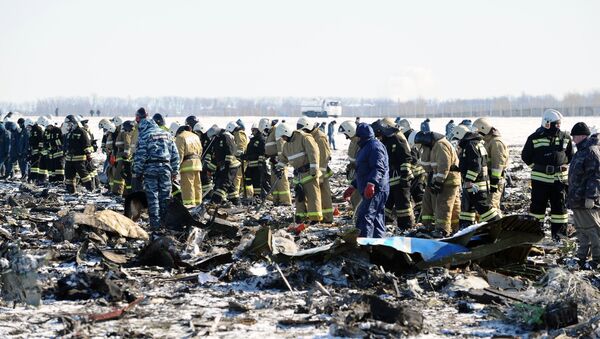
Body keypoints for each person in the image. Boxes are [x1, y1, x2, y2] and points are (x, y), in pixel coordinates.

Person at [521, 109, 573, 241]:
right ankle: (535, 235)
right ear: (547, 123)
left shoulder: (565, 137)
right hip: (540, 181)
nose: (558, 126)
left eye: (559, 124)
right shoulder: (534, 138)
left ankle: (559, 236)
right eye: (556, 124)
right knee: (537, 209)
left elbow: (570, 156)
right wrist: (538, 169)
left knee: (560, 209)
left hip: (559, 181)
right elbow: (525, 156)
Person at [409, 130, 461, 237]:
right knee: (427, 201)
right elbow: (427, 166)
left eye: (421, 145)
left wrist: (438, 182)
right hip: (439, 179)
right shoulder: (433, 147)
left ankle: (443, 230)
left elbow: (444, 166)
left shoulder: (441, 145)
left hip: (448, 180)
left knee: (443, 205)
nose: (421, 148)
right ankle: (428, 225)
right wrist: (426, 151)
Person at [343, 123, 389, 238]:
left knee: (364, 216)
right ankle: (379, 245)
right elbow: (363, 171)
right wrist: (353, 186)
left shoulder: (374, 147)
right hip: (371, 189)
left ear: (361, 136)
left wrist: (371, 184)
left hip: (376, 190)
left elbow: (378, 167)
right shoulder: (365, 147)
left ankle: (365, 245)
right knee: (376, 218)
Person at [133, 118, 180, 229]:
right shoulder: (167, 134)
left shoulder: (145, 136)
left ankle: (155, 225)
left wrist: (137, 172)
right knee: (165, 197)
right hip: (166, 169)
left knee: (152, 197)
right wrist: (175, 171)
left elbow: (141, 156)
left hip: (150, 169)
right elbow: (175, 154)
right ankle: (165, 223)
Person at [276, 122, 322, 231]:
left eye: (283, 136)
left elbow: (314, 153)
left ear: (286, 132)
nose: (283, 139)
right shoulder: (287, 145)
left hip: (309, 173)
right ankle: (300, 216)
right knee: (299, 197)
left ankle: (315, 218)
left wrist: (314, 169)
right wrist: (279, 167)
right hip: (298, 175)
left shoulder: (304, 138)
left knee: (312, 196)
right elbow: (283, 159)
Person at [451, 125, 499, 227]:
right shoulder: (475, 143)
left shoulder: (470, 145)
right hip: (475, 183)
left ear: (460, 135)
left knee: (483, 208)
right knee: (467, 209)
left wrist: (469, 180)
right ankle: (466, 228)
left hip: (475, 184)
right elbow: (471, 163)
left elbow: (475, 165)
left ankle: (498, 224)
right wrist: (457, 168)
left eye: (458, 139)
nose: (458, 142)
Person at [567, 122, 600, 269]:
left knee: (593, 231)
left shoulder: (591, 151)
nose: (573, 140)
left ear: (582, 135)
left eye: (574, 136)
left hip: (586, 201)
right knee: (581, 231)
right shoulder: (581, 151)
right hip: (577, 200)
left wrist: (591, 197)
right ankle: (581, 257)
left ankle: (597, 260)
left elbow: (596, 176)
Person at [378, 118, 415, 231]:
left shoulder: (397, 138)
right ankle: (385, 223)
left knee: (402, 205)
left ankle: (406, 226)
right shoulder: (387, 139)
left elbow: (407, 158)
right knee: (387, 203)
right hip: (391, 178)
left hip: (400, 178)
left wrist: (404, 176)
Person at [297, 117, 334, 223]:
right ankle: (319, 216)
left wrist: (320, 175)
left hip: (320, 172)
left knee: (324, 194)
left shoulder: (319, 137)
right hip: (314, 171)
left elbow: (323, 157)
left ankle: (327, 218)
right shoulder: (310, 136)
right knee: (316, 196)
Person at [473, 118, 509, 212]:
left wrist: (494, 181)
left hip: (495, 180)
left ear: (483, 128)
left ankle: (497, 225)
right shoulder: (486, 141)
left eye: (477, 130)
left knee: (492, 206)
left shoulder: (496, 142)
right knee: (486, 206)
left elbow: (498, 163)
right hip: (487, 179)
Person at [205, 125, 241, 205]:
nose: (213, 138)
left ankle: (215, 201)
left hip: (231, 165)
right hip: (224, 165)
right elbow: (216, 156)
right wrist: (210, 169)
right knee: (229, 185)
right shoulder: (217, 139)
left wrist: (226, 166)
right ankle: (236, 201)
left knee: (223, 184)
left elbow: (230, 152)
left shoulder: (226, 136)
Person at [63, 115, 95, 193]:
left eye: (69, 123)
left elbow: (86, 144)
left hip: (79, 158)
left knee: (83, 174)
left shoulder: (82, 131)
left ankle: (90, 188)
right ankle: (70, 190)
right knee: (68, 174)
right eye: (67, 124)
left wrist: (88, 154)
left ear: (74, 123)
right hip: (69, 158)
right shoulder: (69, 133)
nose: (68, 125)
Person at [264, 119, 292, 206]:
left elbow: (281, 147)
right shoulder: (271, 133)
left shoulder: (276, 131)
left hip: (279, 161)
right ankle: (276, 200)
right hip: (273, 161)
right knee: (274, 181)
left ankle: (285, 201)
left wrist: (280, 159)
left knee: (282, 181)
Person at [175, 124, 203, 206]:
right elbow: (200, 150)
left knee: (188, 187)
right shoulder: (195, 136)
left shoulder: (180, 137)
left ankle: (189, 205)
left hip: (187, 165)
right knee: (197, 185)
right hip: (197, 164)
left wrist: (175, 168)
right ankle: (198, 205)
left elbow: (179, 155)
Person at [339, 120, 362, 210]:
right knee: (353, 194)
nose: (346, 137)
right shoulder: (353, 141)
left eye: (346, 134)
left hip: (358, 172)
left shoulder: (358, 142)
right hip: (353, 171)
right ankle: (355, 210)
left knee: (357, 194)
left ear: (350, 131)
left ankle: (358, 213)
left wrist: (354, 165)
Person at [226, 121, 250, 199]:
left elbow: (241, 146)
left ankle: (235, 195)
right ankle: (242, 194)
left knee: (237, 177)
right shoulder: (237, 133)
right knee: (240, 177)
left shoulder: (239, 133)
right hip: (240, 159)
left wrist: (238, 155)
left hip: (241, 160)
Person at [245, 122, 269, 198]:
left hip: (258, 166)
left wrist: (260, 163)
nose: (252, 132)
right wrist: (245, 156)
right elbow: (249, 151)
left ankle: (258, 195)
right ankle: (250, 195)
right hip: (250, 165)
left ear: (258, 130)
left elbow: (262, 152)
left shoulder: (261, 139)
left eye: (254, 130)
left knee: (257, 182)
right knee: (248, 179)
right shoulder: (252, 140)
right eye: (252, 130)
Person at [112, 121, 134, 195]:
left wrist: (126, 155)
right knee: (118, 174)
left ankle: (118, 192)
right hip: (120, 155)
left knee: (120, 175)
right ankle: (118, 191)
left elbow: (127, 145)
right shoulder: (123, 133)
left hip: (122, 156)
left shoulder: (125, 134)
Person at [194, 121, 214, 196]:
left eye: (198, 132)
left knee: (206, 179)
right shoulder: (200, 140)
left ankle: (209, 195)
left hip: (207, 163)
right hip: (201, 162)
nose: (196, 134)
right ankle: (205, 194)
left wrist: (206, 162)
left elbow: (209, 152)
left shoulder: (208, 140)